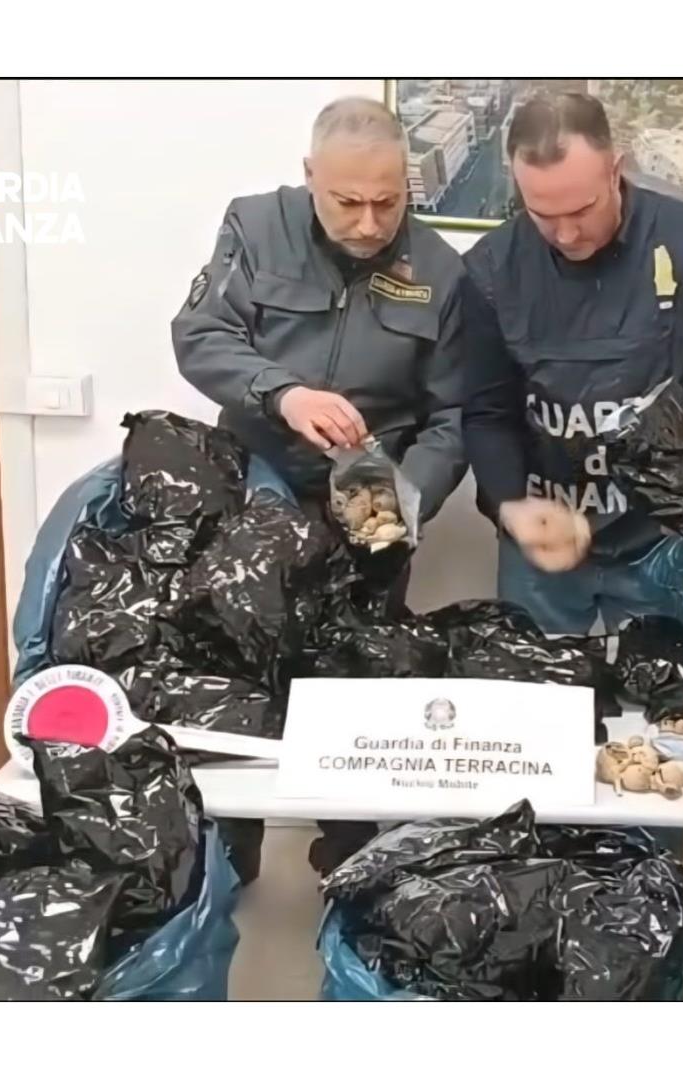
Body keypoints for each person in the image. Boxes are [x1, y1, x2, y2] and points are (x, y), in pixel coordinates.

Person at [171, 97, 468, 881]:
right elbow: (201, 335)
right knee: (236, 674)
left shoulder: (441, 271)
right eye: (348, 202)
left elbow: (455, 417)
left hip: (370, 498)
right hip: (257, 486)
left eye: (388, 202)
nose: (370, 223)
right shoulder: (254, 225)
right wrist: (284, 393)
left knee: (357, 682)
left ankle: (352, 855)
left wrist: (406, 499)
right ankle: (228, 854)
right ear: (310, 177)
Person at [461, 91, 683, 635]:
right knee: (538, 685)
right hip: (544, 544)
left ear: (615, 169)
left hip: (663, 542)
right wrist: (511, 505)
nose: (566, 234)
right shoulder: (490, 270)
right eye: (542, 215)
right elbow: (486, 412)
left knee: (670, 686)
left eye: (582, 210)